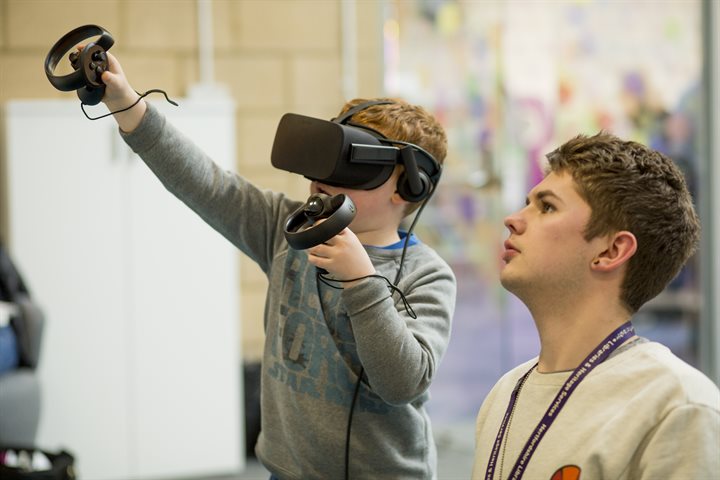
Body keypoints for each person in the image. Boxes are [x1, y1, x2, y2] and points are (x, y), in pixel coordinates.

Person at [99, 52, 456, 480]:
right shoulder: (286, 230)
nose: (321, 178)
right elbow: (207, 184)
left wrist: (362, 280)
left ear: (408, 186)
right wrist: (126, 105)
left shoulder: (427, 275)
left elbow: (403, 383)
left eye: (350, 164)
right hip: (286, 472)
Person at [472, 132, 720, 479]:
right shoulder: (506, 392)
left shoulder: (677, 406)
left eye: (546, 206)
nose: (513, 219)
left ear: (610, 251)